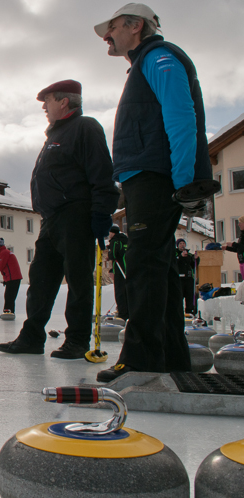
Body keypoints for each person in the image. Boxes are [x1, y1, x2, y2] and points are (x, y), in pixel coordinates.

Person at [94, 4, 213, 381]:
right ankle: (171, 360)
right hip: (145, 176)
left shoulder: (160, 58)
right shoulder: (145, 63)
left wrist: (183, 180)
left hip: (155, 177)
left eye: (110, 28)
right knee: (157, 271)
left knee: (145, 266)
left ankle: (142, 361)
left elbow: (181, 115)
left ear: (136, 25)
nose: (105, 37)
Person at [0, 79, 119, 359]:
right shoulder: (53, 136)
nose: (44, 106)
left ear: (64, 101)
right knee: (40, 279)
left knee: (77, 279)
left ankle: (76, 340)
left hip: (76, 214)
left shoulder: (85, 127)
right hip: (51, 219)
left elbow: (102, 172)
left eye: (48, 100)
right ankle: (31, 337)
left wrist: (102, 212)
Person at [0, 238, 23, 317]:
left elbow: (1, 266)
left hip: (13, 278)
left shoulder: (4, 253)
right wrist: (6, 280)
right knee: (9, 296)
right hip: (13, 278)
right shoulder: (5, 252)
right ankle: (9, 312)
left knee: (9, 296)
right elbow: (6, 268)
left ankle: (8, 313)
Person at [107, 226, 129, 320]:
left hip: (120, 270)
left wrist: (109, 252)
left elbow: (114, 255)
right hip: (127, 269)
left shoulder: (115, 241)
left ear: (113, 233)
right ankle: (127, 311)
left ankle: (122, 313)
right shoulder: (125, 240)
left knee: (120, 292)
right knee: (127, 291)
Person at [176, 239, 197, 315]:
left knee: (190, 296)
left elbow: (194, 265)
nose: (182, 245)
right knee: (178, 296)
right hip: (179, 279)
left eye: (183, 243)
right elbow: (173, 262)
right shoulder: (175, 254)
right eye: (180, 243)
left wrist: (196, 259)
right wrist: (180, 257)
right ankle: (178, 312)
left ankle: (190, 311)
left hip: (189, 278)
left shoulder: (189, 255)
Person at [224, 215, 244, 279]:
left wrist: (233, 244)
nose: (238, 225)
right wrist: (226, 248)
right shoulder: (242, 235)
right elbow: (239, 249)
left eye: (240, 223)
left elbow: (242, 247)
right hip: (241, 262)